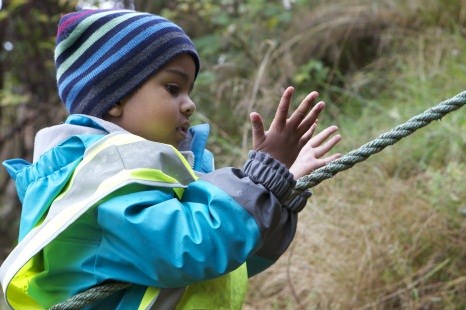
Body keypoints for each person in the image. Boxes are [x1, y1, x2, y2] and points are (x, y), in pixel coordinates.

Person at [0, 8, 341, 309]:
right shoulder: (103, 179)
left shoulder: (159, 173)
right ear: (114, 98)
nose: (190, 104)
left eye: (189, 90)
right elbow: (191, 250)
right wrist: (260, 181)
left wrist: (277, 188)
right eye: (173, 88)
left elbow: (237, 261)